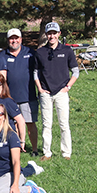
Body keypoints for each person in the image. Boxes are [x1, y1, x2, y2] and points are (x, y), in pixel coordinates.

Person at [35, 22, 79, 161]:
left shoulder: (67, 50)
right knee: (46, 124)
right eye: (49, 33)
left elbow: (76, 72)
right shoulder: (40, 52)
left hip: (61, 92)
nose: (52, 36)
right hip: (46, 93)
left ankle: (66, 153)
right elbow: (35, 72)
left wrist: (68, 87)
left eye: (54, 33)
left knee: (64, 124)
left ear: (59, 34)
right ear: (46, 35)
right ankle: (47, 152)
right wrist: (40, 88)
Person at [4, 28, 40, 157]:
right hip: (10, 97)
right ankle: (16, 148)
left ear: (21, 39)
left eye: (16, 38)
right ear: (8, 40)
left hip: (28, 95)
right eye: (11, 38)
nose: (14, 41)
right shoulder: (4, 55)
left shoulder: (30, 53)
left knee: (30, 123)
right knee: (12, 125)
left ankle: (34, 149)